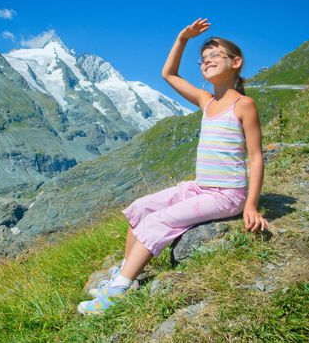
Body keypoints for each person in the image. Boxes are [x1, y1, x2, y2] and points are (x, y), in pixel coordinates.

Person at [77, 18, 269, 315]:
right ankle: (130, 275)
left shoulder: (243, 104)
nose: (207, 62)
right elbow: (168, 73)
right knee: (141, 208)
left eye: (215, 56)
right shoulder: (206, 101)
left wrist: (251, 205)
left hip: (227, 194)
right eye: (203, 59)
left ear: (236, 62)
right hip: (200, 186)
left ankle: (116, 294)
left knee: (157, 222)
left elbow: (256, 156)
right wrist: (182, 39)